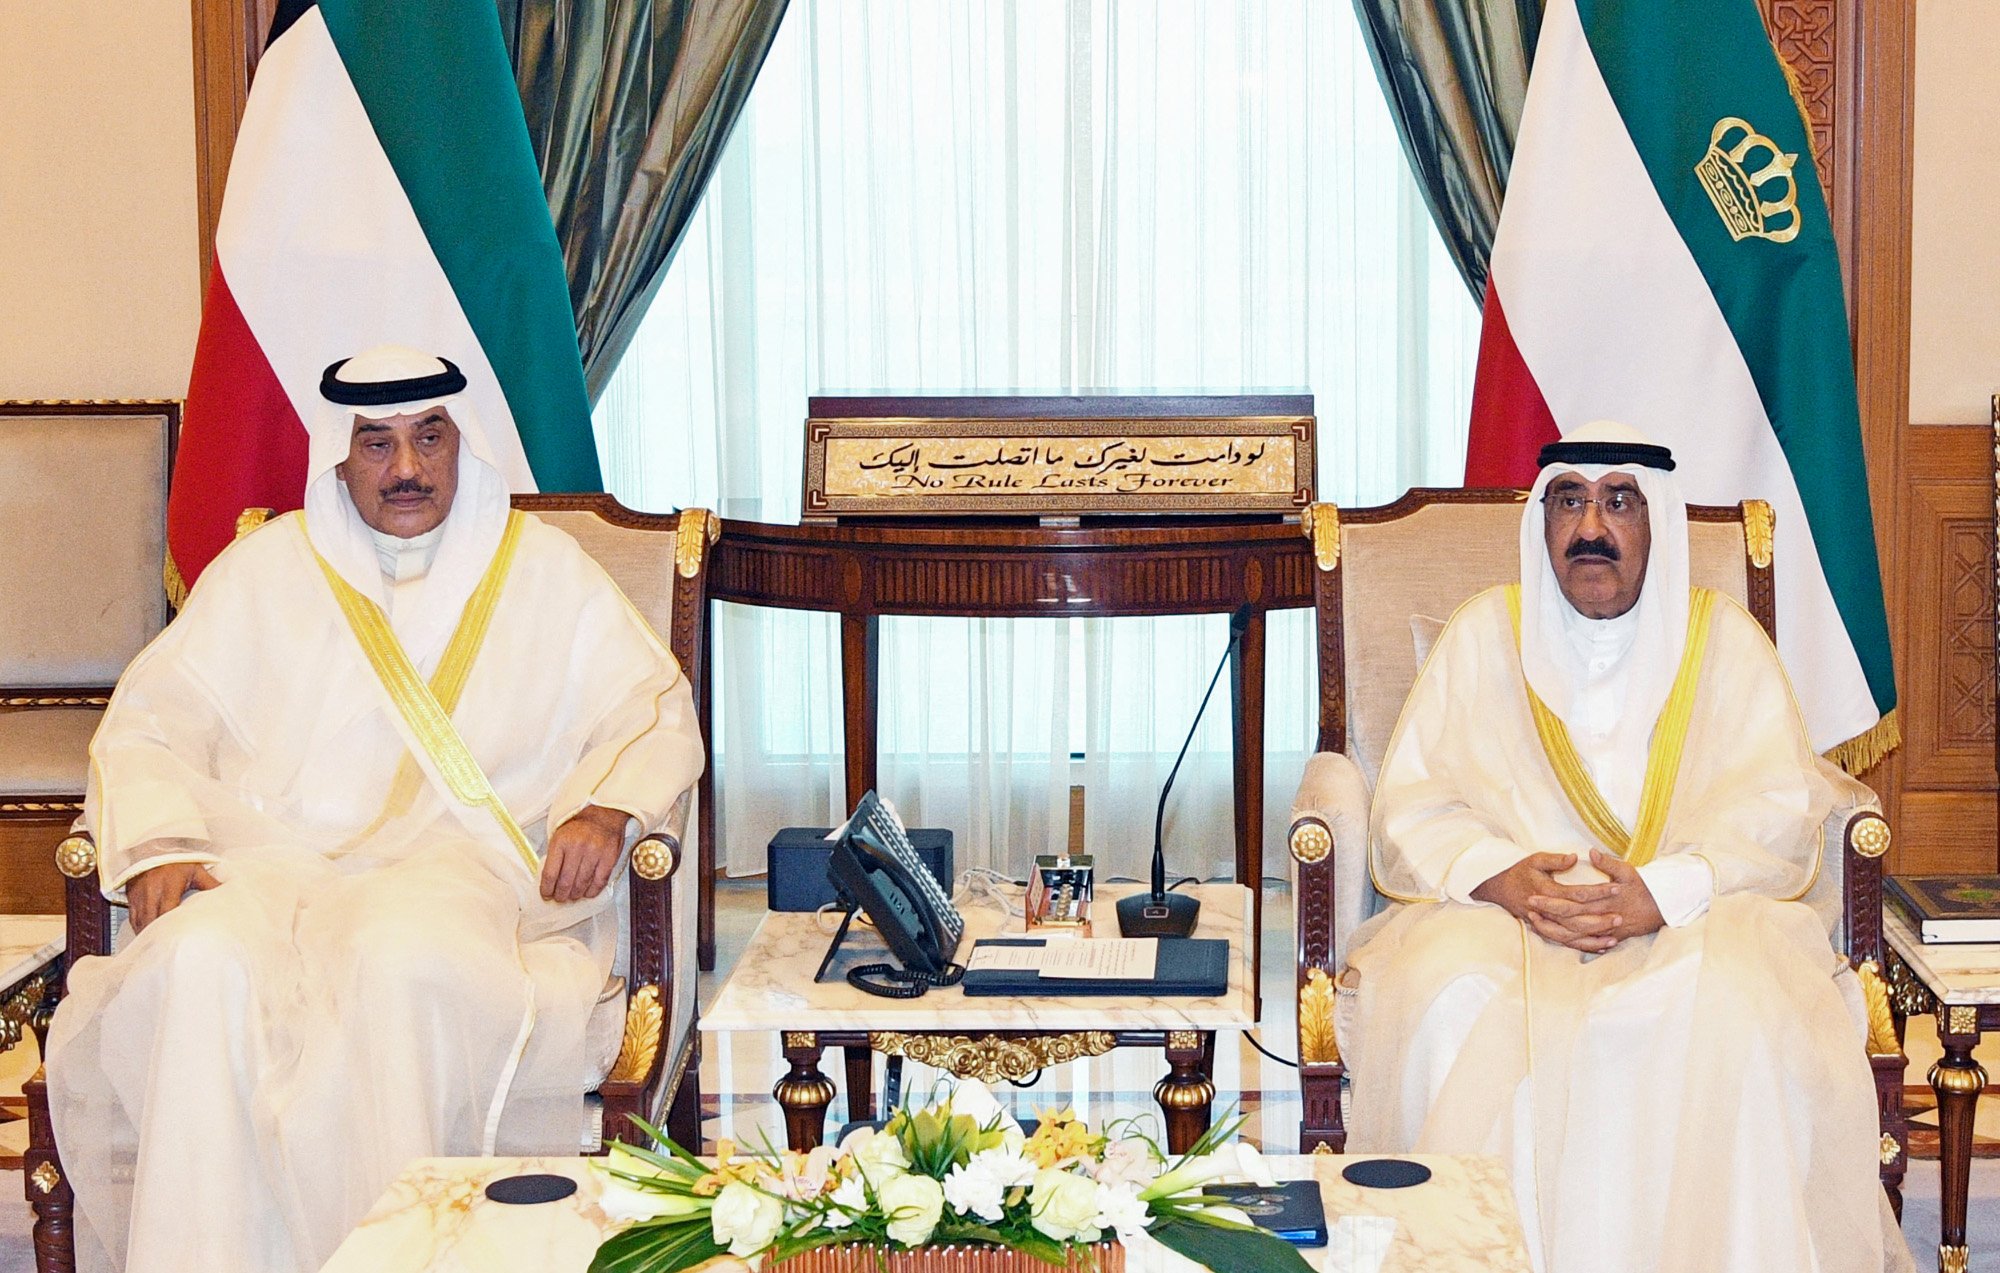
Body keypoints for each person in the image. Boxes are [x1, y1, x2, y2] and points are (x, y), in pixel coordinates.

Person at [46, 346, 704, 1273]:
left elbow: (652, 705)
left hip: (460, 871)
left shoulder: (543, 569)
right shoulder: (266, 569)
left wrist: (606, 807)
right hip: (274, 866)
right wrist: (158, 842)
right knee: (197, 957)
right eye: (377, 443)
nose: (406, 468)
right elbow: (152, 719)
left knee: (397, 957)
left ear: (459, 443)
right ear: (340, 454)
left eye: (428, 437)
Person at [1343, 421, 1908, 1272]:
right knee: (1449, 996)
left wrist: (1663, 890)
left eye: (1619, 502)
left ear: (1658, 523)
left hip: (1691, 917)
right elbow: (1413, 804)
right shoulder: (1484, 634)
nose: (1591, 527)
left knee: (1739, 1008)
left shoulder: (1724, 642)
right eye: (1569, 501)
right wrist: (1502, 877)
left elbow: (1778, 806)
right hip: (1507, 923)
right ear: (1542, 521)